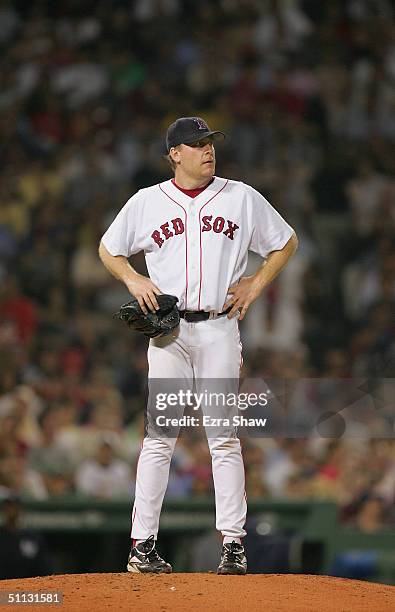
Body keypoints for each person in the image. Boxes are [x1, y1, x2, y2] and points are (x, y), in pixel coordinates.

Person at [99, 116, 298, 574]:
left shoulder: (241, 196)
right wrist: (132, 278)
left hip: (217, 328)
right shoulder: (148, 201)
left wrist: (256, 283)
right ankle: (142, 545)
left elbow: (285, 242)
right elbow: (109, 248)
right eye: (197, 144)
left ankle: (233, 545)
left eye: (210, 143)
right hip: (168, 333)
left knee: (223, 438)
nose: (208, 150)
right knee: (160, 438)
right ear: (175, 153)